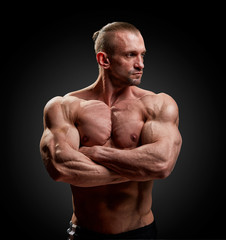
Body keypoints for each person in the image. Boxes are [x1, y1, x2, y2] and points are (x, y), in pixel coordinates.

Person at [39, 22, 182, 239]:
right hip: (83, 234)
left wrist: (97, 153)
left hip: (140, 233)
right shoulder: (65, 106)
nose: (141, 64)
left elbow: (161, 163)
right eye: (130, 55)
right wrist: (139, 169)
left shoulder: (158, 104)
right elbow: (60, 167)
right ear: (104, 59)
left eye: (143, 55)